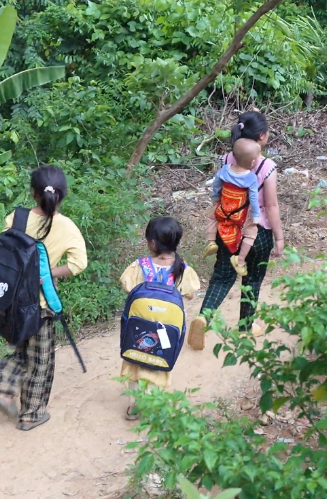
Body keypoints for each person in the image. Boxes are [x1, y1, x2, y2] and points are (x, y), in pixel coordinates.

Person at [0, 165, 87, 431]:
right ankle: (31, 414)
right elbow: (79, 264)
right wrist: (48, 275)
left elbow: (5, 254)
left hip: (12, 302)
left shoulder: (15, 219)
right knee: (40, 359)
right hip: (41, 305)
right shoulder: (66, 227)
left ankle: (4, 387)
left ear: (33, 193)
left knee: (18, 347)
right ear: (62, 194)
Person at [188, 111, 284, 350]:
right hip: (257, 232)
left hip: (228, 228)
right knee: (252, 279)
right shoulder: (267, 166)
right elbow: (270, 205)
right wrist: (279, 236)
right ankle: (245, 327)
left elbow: (218, 194)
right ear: (262, 137)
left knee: (222, 276)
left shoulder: (226, 159)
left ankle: (203, 317)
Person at [119, 217, 200, 420]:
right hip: (167, 329)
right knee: (160, 359)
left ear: (152, 243)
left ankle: (135, 404)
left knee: (136, 360)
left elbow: (127, 286)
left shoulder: (141, 266)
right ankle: (155, 403)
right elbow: (191, 293)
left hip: (140, 327)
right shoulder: (183, 269)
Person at [205, 137, 262, 276]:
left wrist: (216, 198)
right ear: (253, 162)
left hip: (222, 210)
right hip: (239, 216)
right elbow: (254, 198)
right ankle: (240, 260)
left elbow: (216, 185)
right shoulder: (251, 178)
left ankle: (211, 241)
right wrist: (255, 216)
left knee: (211, 217)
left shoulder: (225, 170)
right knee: (251, 233)